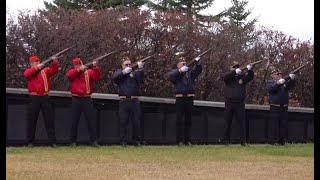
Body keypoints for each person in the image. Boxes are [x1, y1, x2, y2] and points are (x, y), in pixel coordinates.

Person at [23, 55, 59, 147]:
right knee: (32, 120)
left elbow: (54, 71)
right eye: (35, 62)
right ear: (31, 64)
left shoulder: (45, 70)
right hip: (34, 97)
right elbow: (27, 74)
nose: (37, 63)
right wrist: (36, 68)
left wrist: (55, 63)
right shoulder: (29, 71)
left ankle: (52, 142)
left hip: (45, 97)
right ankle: (30, 142)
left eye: (38, 62)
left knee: (49, 120)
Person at [168, 56, 202, 146]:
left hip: (189, 98)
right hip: (180, 98)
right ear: (178, 65)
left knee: (188, 120)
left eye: (185, 63)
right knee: (179, 120)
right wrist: (180, 71)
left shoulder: (190, 73)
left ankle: (188, 140)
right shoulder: (174, 72)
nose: (184, 64)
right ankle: (179, 140)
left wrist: (197, 64)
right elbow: (171, 77)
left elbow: (198, 71)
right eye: (182, 63)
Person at [66, 58, 101, 147]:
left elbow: (97, 77)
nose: (78, 65)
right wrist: (79, 70)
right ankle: (73, 141)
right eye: (77, 64)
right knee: (74, 121)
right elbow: (69, 76)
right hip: (76, 98)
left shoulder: (88, 72)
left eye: (79, 64)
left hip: (87, 98)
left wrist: (96, 67)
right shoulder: (73, 72)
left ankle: (94, 140)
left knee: (91, 121)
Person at [112, 57, 145, 147]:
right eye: (126, 64)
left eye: (129, 64)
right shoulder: (119, 73)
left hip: (135, 100)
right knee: (123, 122)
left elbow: (141, 79)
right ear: (122, 66)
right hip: (124, 100)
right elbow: (115, 78)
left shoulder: (135, 73)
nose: (128, 66)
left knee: (136, 122)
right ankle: (123, 141)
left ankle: (137, 141)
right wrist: (123, 72)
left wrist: (141, 69)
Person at [222, 61, 254, 146]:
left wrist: (250, 70)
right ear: (231, 68)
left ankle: (243, 141)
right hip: (229, 102)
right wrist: (233, 72)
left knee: (241, 123)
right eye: (234, 67)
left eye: (237, 67)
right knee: (227, 122)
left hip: (239, 103)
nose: (236, 68)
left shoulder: (242, 77)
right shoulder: (228, 77)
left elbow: (250, 77)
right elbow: (224, 77)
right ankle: (226, 140)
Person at [267, 68, 296, 145]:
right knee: (274, 125)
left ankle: (282, 140)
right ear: (272, 75)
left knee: (283, 124)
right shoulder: (270, 82)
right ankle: (272, 141)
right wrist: (278, 83)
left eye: (280, 74)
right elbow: (272, 89)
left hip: (284, 107)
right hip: (275, 106)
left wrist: (292, 79)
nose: (279, 75)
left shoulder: (284, 82)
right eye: (277, 74)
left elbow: (290, 86)